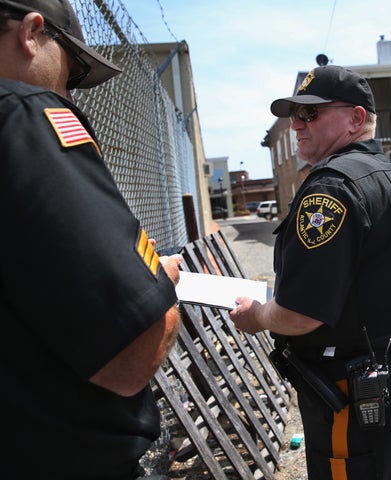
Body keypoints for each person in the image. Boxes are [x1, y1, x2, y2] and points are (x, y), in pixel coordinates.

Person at [0, 1, 183, 478]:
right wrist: (161, 288)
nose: (68, 89)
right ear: (32, 33)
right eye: (73, 69)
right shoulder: (21, 117)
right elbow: (130, 355)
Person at [230, 65, 391, 480]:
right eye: (295, 114)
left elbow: (301, 313)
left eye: (311, 114)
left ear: (356, 118)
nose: (296, 124)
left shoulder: (331, 188)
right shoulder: (390, 173)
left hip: (349, 390)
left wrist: (258, 314)